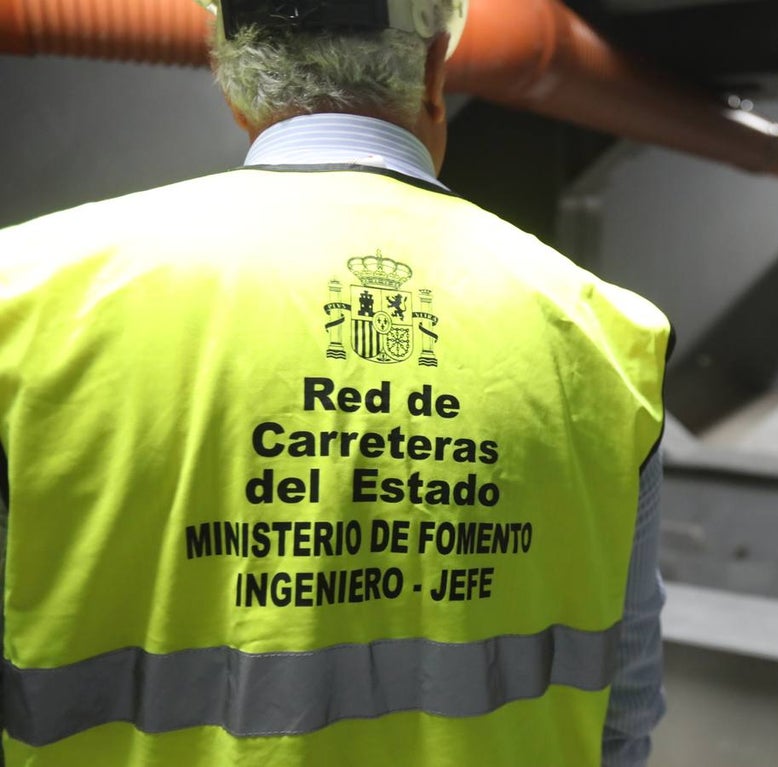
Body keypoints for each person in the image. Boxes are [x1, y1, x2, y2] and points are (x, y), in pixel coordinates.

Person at [0, 0, 672, 765]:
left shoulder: (25, 301)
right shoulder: (611, 335)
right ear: (431, 73)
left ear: (231, 81)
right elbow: (624, 713)